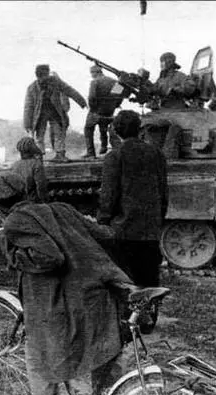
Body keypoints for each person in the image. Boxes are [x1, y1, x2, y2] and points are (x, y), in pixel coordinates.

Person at [0, 170, 130, 395]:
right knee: (103, 349)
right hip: (95, 296)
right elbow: (105, 235)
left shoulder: (14, 222)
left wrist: (10, 250)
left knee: (39, 359)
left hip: (61, 307)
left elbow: (51, 257)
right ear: (25, 191)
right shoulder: (62, 208)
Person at [97, 110, 168, 293]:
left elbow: (109, 195)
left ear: (116, 131)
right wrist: (158, 219)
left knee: (126, 284)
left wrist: (103, 222)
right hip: (150, 230)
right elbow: (163, 192)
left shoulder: (115, 156)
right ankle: (149, 311)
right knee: (150, 283)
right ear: (139, 129)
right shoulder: (156, 153)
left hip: (123, 231)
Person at [24, 64, 87, 162]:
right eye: (42, 76)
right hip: (40, 115)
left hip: (55, 113)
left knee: (59, 133)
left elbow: (69, 90)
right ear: (38, 76)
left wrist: (82, 102)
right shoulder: (32, 88)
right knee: (39, 136)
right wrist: (27, 124)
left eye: (46, 75)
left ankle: (60, 154)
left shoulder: (55, 82)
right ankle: (38, 156)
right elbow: (28, 106)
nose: (45, 78)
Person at [83, 65, 125, 158]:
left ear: (95, 72)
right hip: (109, 111)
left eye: (92, 73)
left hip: (97, 111)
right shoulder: (115, 82)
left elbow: (91, 97)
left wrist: (93, 108)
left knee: (88, 129)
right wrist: (114, 106)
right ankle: (104, 146)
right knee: (104, 127)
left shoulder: (95, 82)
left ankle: (91, 153)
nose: (91, 75)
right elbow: (120, 96)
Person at [10, 137, 48, 203]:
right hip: (32, 202)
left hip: (18, 201)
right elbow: (41, 186)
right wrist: (44, 201)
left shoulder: (15, 165)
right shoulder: (36, 164)